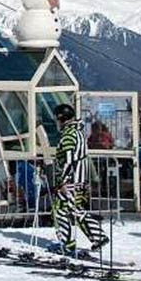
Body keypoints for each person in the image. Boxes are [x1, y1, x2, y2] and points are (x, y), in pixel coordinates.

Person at [51, 104, 109, 254]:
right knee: (76, 209)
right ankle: (98, 236)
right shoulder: (78, 132)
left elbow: (69, 160)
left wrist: (62, 181)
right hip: (79, 179)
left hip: (70, 180)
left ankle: (67, 243)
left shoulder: (69, 135)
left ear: (61, 119)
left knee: (61, 211)